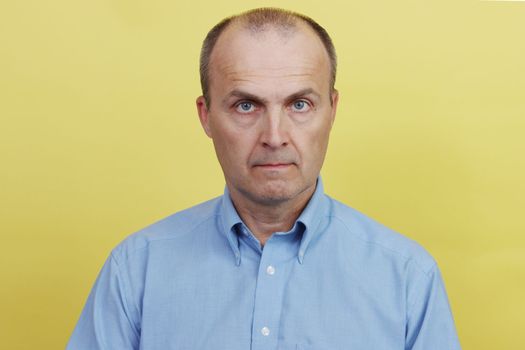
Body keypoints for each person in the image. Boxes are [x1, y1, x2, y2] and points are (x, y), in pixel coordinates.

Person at [67, 8, 461, 350]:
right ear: (206, 116)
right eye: (246, 105)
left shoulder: (408, 277)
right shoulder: (136, 270)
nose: (274, 136)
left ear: (332, 109)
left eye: (300, 104)